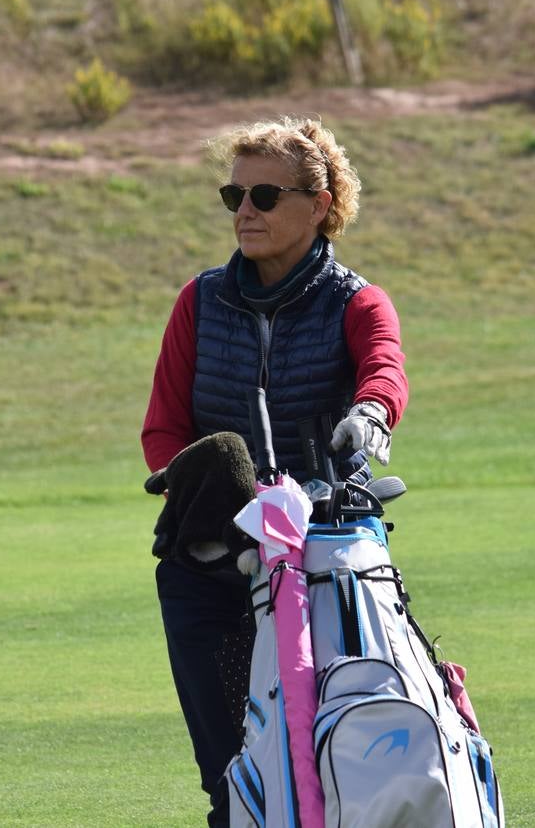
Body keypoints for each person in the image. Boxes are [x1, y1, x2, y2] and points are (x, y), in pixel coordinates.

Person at [141, 116, 408, 828]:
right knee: (231, 776)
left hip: (327, 561)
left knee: (339, 761)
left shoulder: (357, 302)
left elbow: (384, 370)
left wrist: (371, 416)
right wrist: (193, 484)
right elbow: (164, 429)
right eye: (234, 198)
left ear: (317, 206)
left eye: (263, 195)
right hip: (212, 566)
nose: (246, 212)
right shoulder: (200, 302)